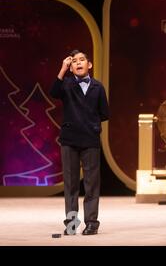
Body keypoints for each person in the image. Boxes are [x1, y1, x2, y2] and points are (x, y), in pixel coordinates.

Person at [50, 49, 109, 236]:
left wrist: (91, 125)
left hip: (90, 139)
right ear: (71, 67)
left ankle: (92, 223)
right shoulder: (66, 84)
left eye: (82, 60)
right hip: (69, 139)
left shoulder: (98, 87)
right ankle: (72, 223)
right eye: (74, 61)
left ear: (89, 64)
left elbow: (104, 113)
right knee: (71, 184)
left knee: (92, 184)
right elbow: (53, 91)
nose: (78, 63)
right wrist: (62, 69)